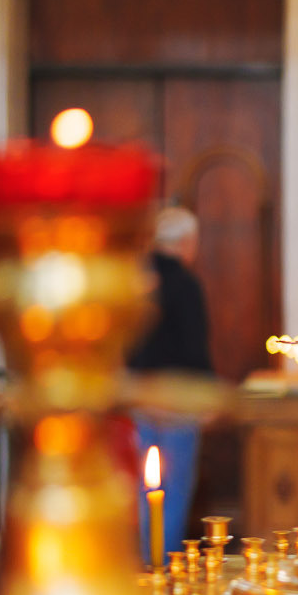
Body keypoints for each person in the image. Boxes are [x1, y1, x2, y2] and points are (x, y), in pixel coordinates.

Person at [128, 206, 213, 558]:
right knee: (173, 487)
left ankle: (142, 565)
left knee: (143, 484)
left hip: (138, 395)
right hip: (178, 399)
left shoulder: (135, 279)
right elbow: (194, 346)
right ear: (185, 243)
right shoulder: (187, 284)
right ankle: (165, 566)